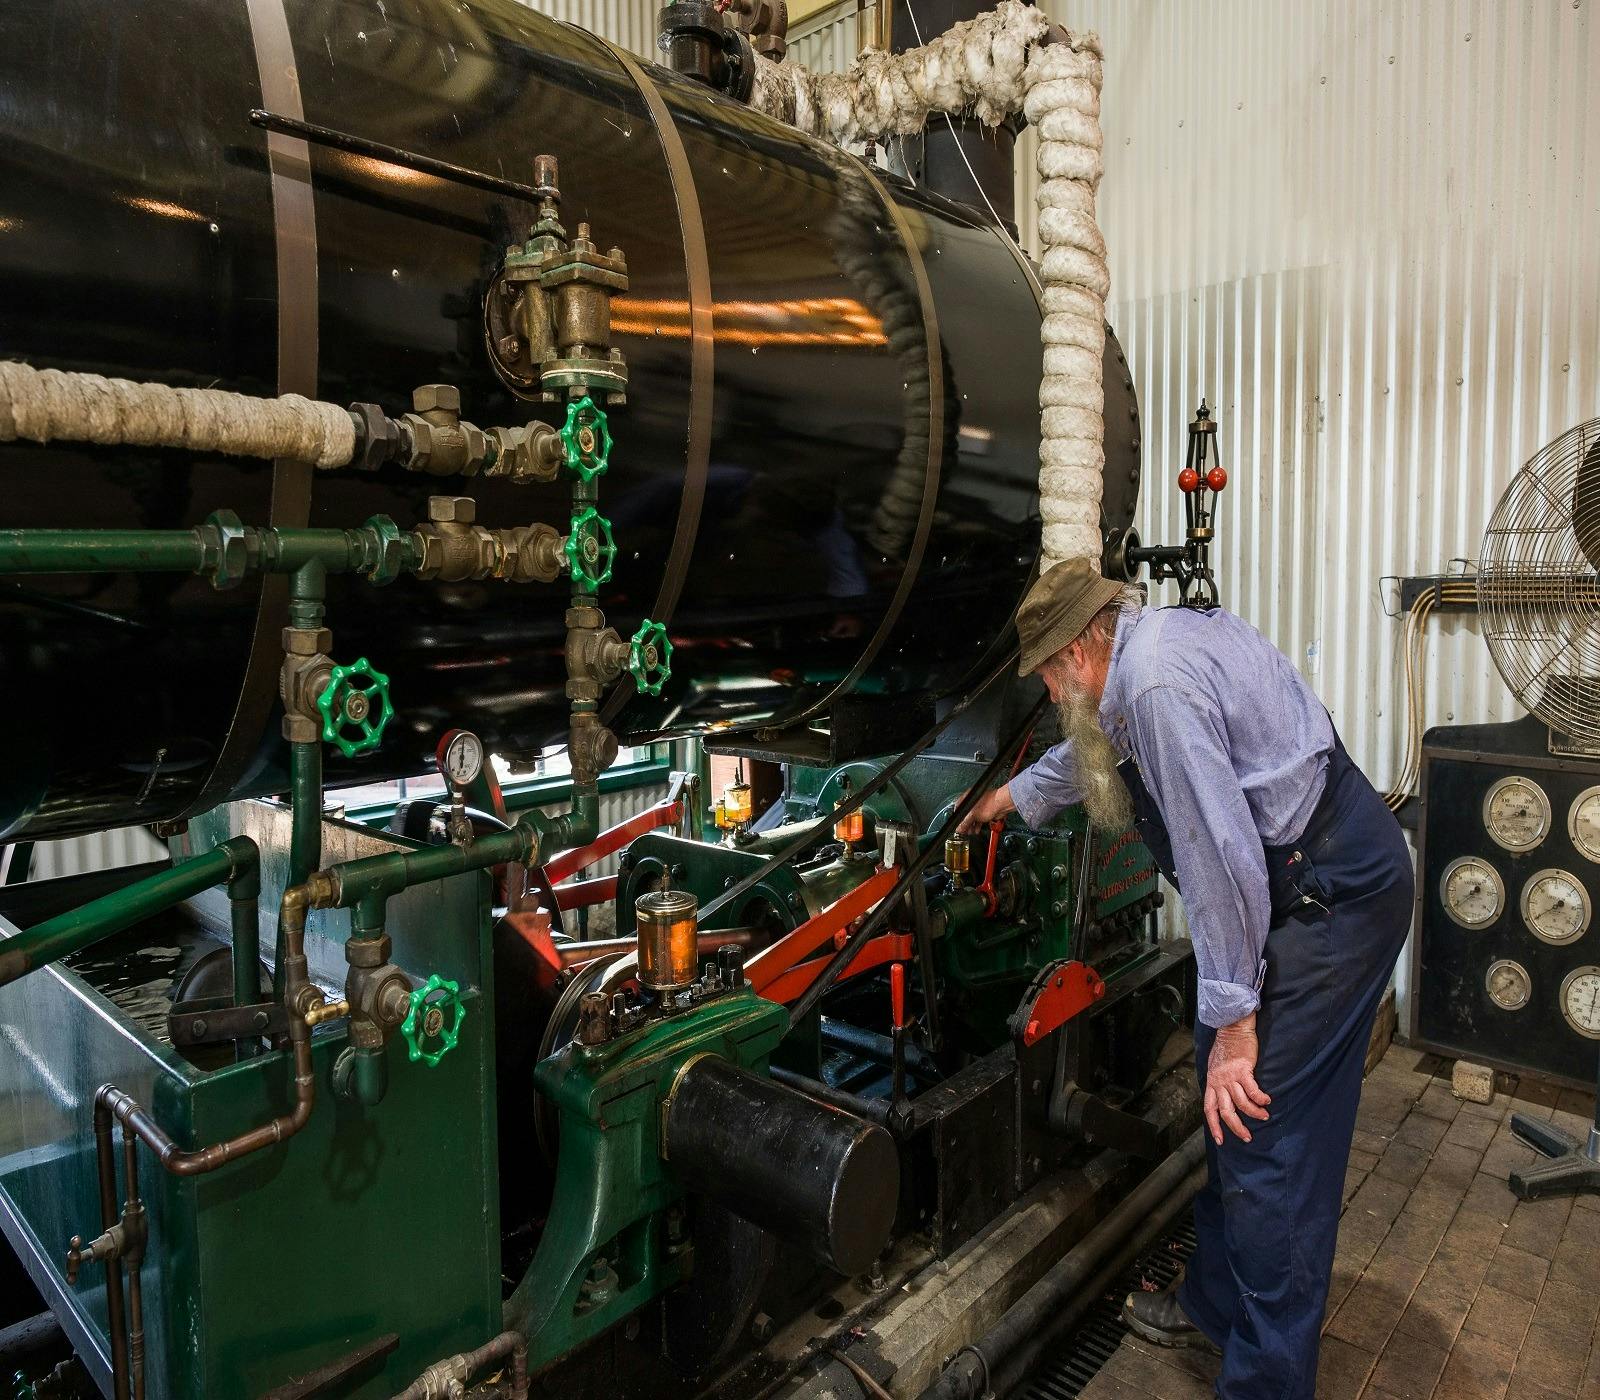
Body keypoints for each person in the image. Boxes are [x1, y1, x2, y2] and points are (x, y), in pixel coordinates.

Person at [959, 558, 1414, 1399]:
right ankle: (1214, 1307)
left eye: (1050, 677)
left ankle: (1267, 1382)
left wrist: (1239, 1025)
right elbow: (1094, 753)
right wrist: (1006, 800)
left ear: (1077, 652)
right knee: (1222, 1093)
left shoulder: (1158, 686)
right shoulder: (1141, 659)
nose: (1054, 696)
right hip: (1298, 882)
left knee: (1263, 1129)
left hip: (1331, 896)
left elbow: (1221, 861)